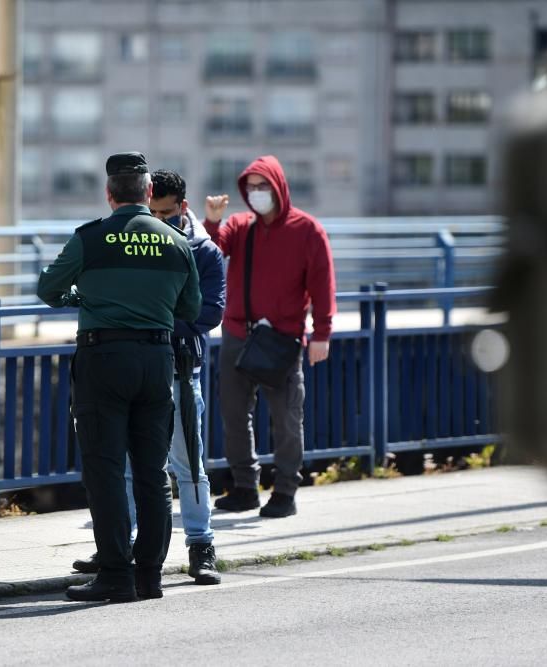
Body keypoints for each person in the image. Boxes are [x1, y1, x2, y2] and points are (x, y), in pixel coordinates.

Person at [38, 153, 202, 602]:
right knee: (152, 471)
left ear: (109, 195)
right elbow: (190, 309)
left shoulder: (91, 238)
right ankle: (150, 576)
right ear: (150, 194)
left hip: (103, 358)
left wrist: (81, 296)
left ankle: (114, 574)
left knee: (106, 469)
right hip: (156, 359)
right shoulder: (175, 242)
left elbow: (47, 288)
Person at [70, 169, 226, 585]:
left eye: (166, 213)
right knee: (124, 464)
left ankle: (201, 543)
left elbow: (210, 312)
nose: (156, 219)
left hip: (179, 367)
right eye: (152, 210)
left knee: (187, 463)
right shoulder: (138, 242)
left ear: (183, 209)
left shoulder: (203, 251)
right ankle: (121, 546)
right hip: (146, 366)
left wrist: (150, 321)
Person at [203, 155, 336, 518]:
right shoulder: (240, 226)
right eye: (251, 187)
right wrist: (212, 222)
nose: (257, 193)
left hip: (282, 338)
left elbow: (323, 287)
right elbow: (212, 254)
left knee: (286, 417)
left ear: (279, 187)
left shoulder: (307, 230)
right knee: (233, 414)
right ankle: (245, 487)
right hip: (236, 333)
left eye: (264, 186)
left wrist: (322, 333)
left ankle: (285, 491)